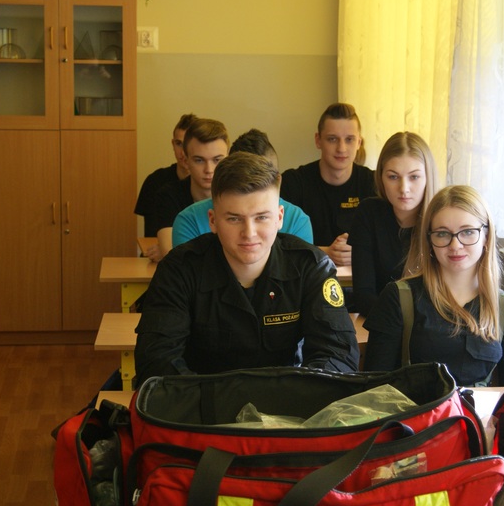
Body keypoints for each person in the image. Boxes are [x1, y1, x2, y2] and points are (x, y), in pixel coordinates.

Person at [135, 152, 359, 383]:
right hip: (200, 402)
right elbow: (156, 361)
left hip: (288, 400)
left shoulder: (311, 268)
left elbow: (338, 356)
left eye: (261, 217)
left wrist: (288, 397)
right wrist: (220, 399)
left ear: (279, 218)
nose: (249, 233)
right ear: (213, 220)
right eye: (234, 219)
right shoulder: (178, 270)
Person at [363, 185, 504, 387]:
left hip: (476, 408)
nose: (455, 245)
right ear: (429, 240)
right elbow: (373, 388)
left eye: (467, 232)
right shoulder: (398, 298)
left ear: (486, 237)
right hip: (417, 407)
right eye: (442, 234)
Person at [171, 128, 313, 248]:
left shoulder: (297, 220)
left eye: (266, 178)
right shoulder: (189, 220)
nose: (249, 234)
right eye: (234, 219)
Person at [348, 131, 437, 318]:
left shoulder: (442, 220)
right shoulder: (368, 213)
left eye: (414, 177)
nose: (404, 188)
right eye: (393, 177)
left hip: (431, 327)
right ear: (381, 177)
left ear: (428, 177)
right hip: (383, 324)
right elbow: (363, 296)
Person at [280, 102, 374, 268]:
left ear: (359, 142)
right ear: (318, 140)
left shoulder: (373, 183)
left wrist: (361, 251)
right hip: (306, 276)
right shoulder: (293, 183)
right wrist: (325, 252)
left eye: (349, 139)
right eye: (332, 139)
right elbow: (276, 244)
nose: (341, 148)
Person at [139, 116, 226, 263]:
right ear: (186, 161)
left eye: (217, 160)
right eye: (199, 160)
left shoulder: (238, 196)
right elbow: (173, 255)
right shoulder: (167, 195)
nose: (209, 169)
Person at [134, 112, 197, 252]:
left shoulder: (211, 186)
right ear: (172, 144)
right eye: (179, 144)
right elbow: (150, 238)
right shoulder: (155, 182)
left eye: (188, 144)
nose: (183, 152)